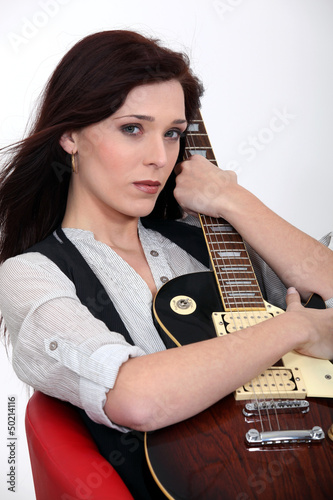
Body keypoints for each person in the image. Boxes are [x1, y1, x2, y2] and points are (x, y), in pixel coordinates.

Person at [0, 30, 332, 499]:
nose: (159, 158)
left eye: (173, 133)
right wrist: (295, 329)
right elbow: (135, 397)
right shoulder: (31, 274)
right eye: (132, 128)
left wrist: (233, 200)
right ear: (70, 136)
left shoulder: (210, 243)